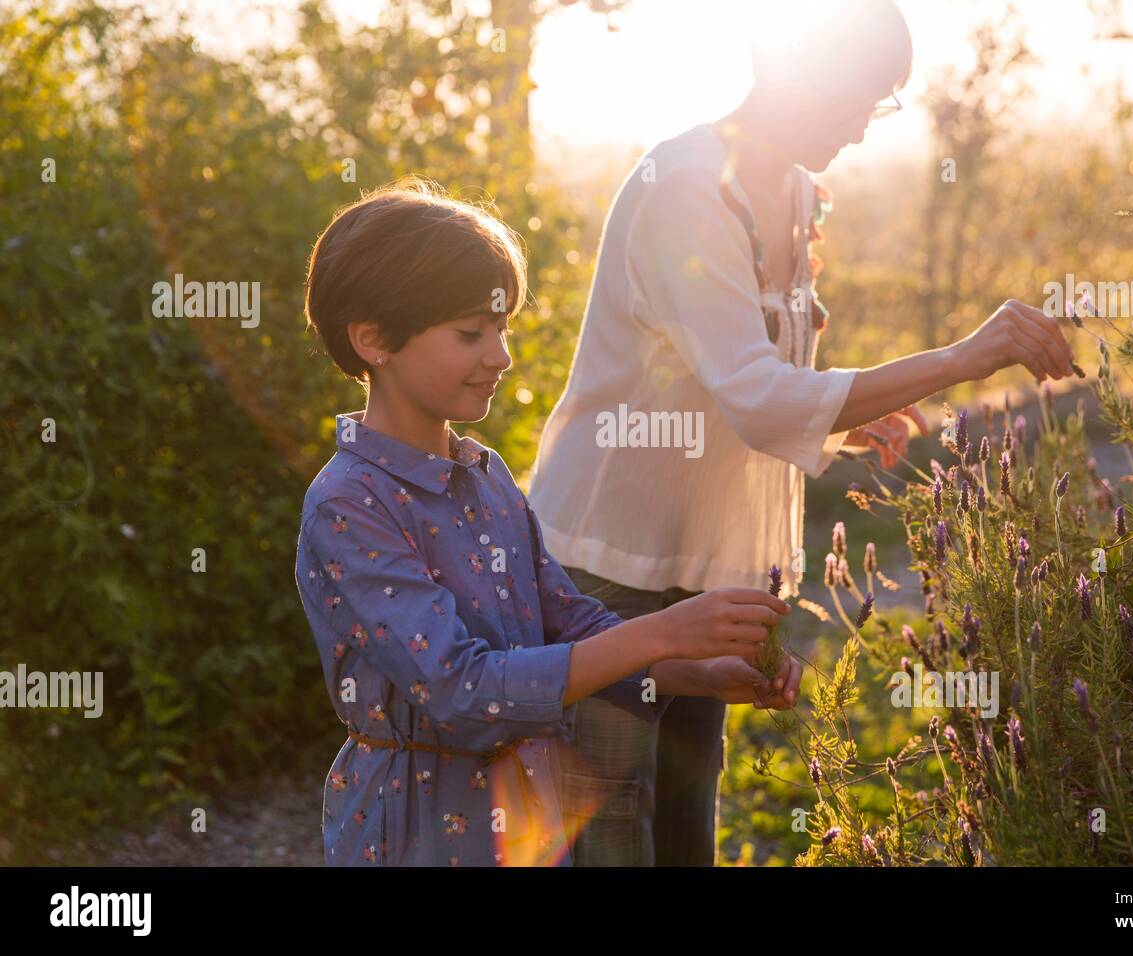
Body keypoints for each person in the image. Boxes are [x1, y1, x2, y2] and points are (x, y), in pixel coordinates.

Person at [527, 0, 1076, 867]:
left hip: (712, 568)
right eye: (860, 98)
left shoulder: (792, 191)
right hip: (611, 564)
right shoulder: (685, 191)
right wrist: (964, 356)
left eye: (881, 103)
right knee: (610, 838)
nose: (864, 129)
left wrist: (843, 432)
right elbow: (758, 395)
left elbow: (751, 375)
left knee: (683, 829)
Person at [293, 178, 802, 866]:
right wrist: (663, 629)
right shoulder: (351, 503)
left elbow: (573, 626)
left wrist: (697, 672)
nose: (500, 356)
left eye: (501, 329)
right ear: (374, 339)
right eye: (470, 333)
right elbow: (461, 689)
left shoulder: (487, 476)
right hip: (416, 828)